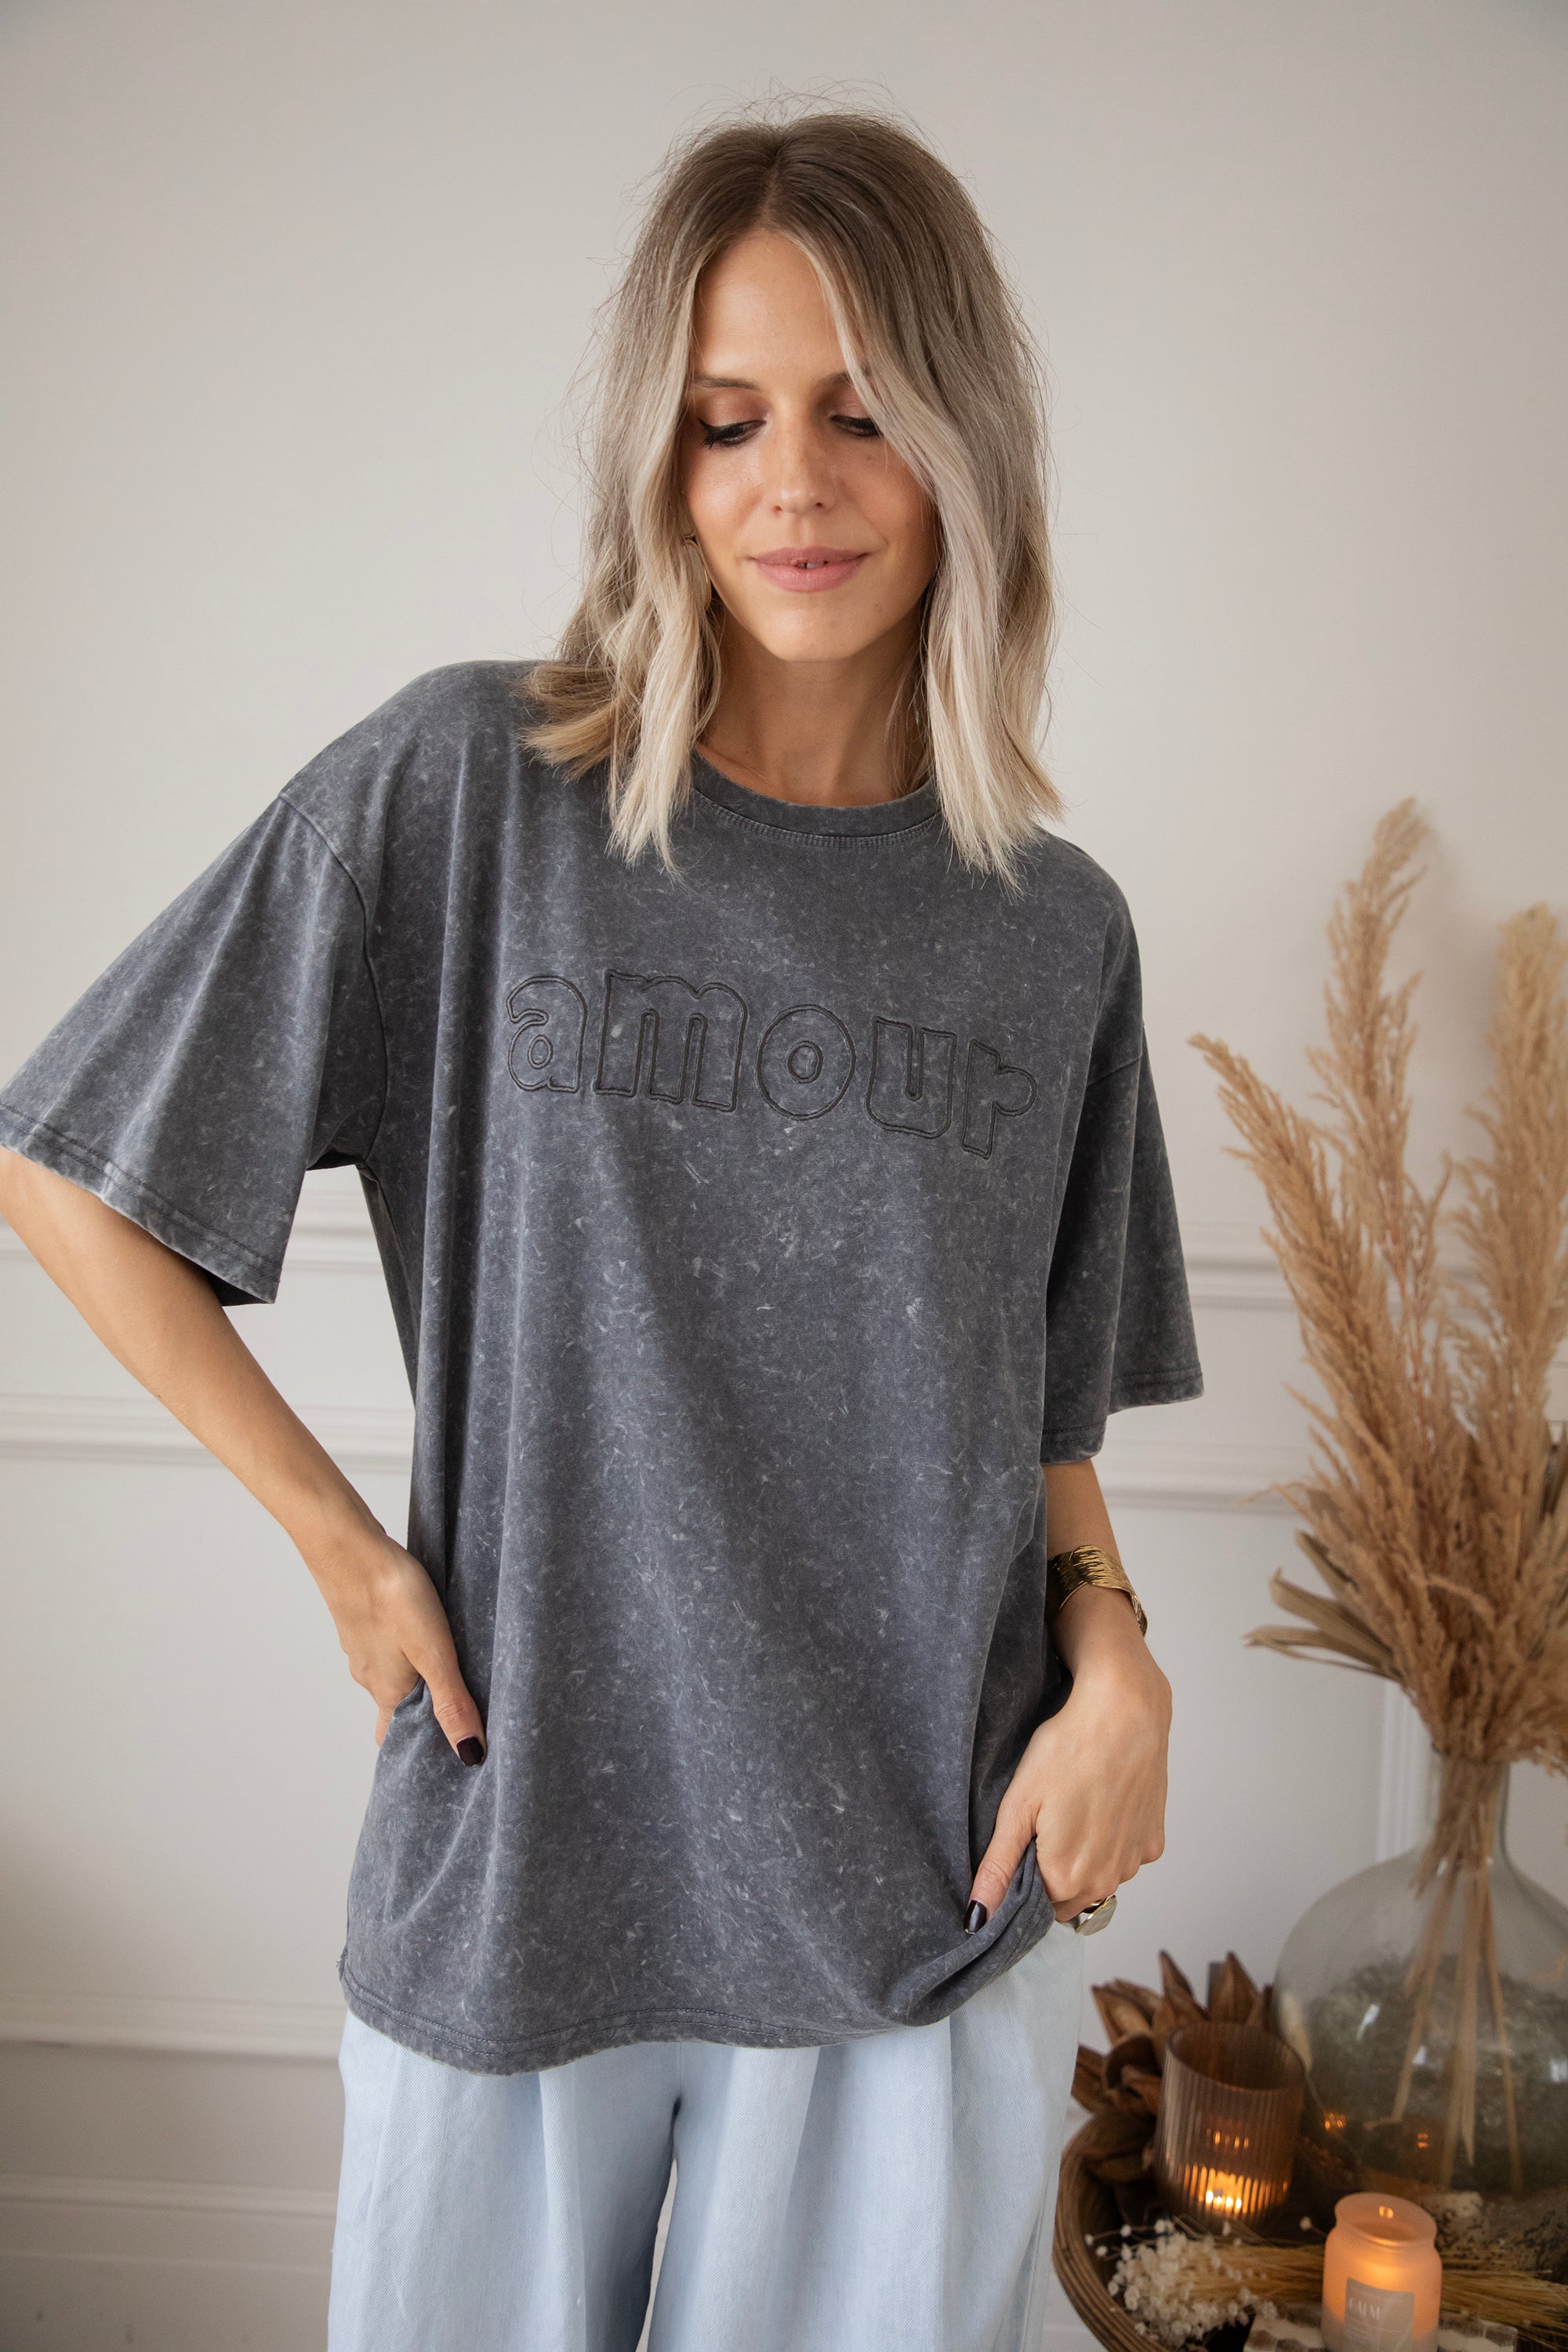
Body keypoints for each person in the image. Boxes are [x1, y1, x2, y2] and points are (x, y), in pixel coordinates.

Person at [0, 99, 1203, 2352]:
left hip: (908, 1909)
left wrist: (1119, 1656)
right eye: (727, 420)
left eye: (862, 411)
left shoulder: (1056, 935)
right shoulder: (473, 794)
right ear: (660, 460)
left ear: (968, 443)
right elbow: (70, 1163)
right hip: (521, 1867)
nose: (790, 483)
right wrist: (342, 1552)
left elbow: (1037, 1426)